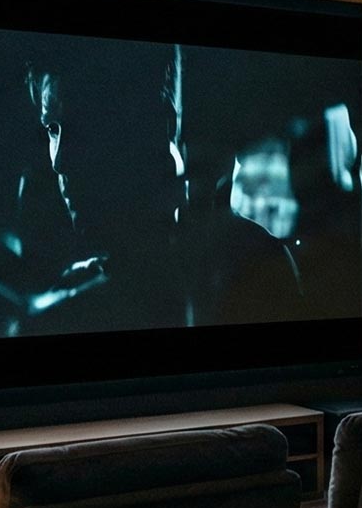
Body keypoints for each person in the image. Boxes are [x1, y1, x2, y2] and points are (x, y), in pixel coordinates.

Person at [23, 35, 302, 333]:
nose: (59, 161)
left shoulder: (244, 265)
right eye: (53, 129)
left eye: (83, 128)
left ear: (158, 123)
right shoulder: (64, 285)